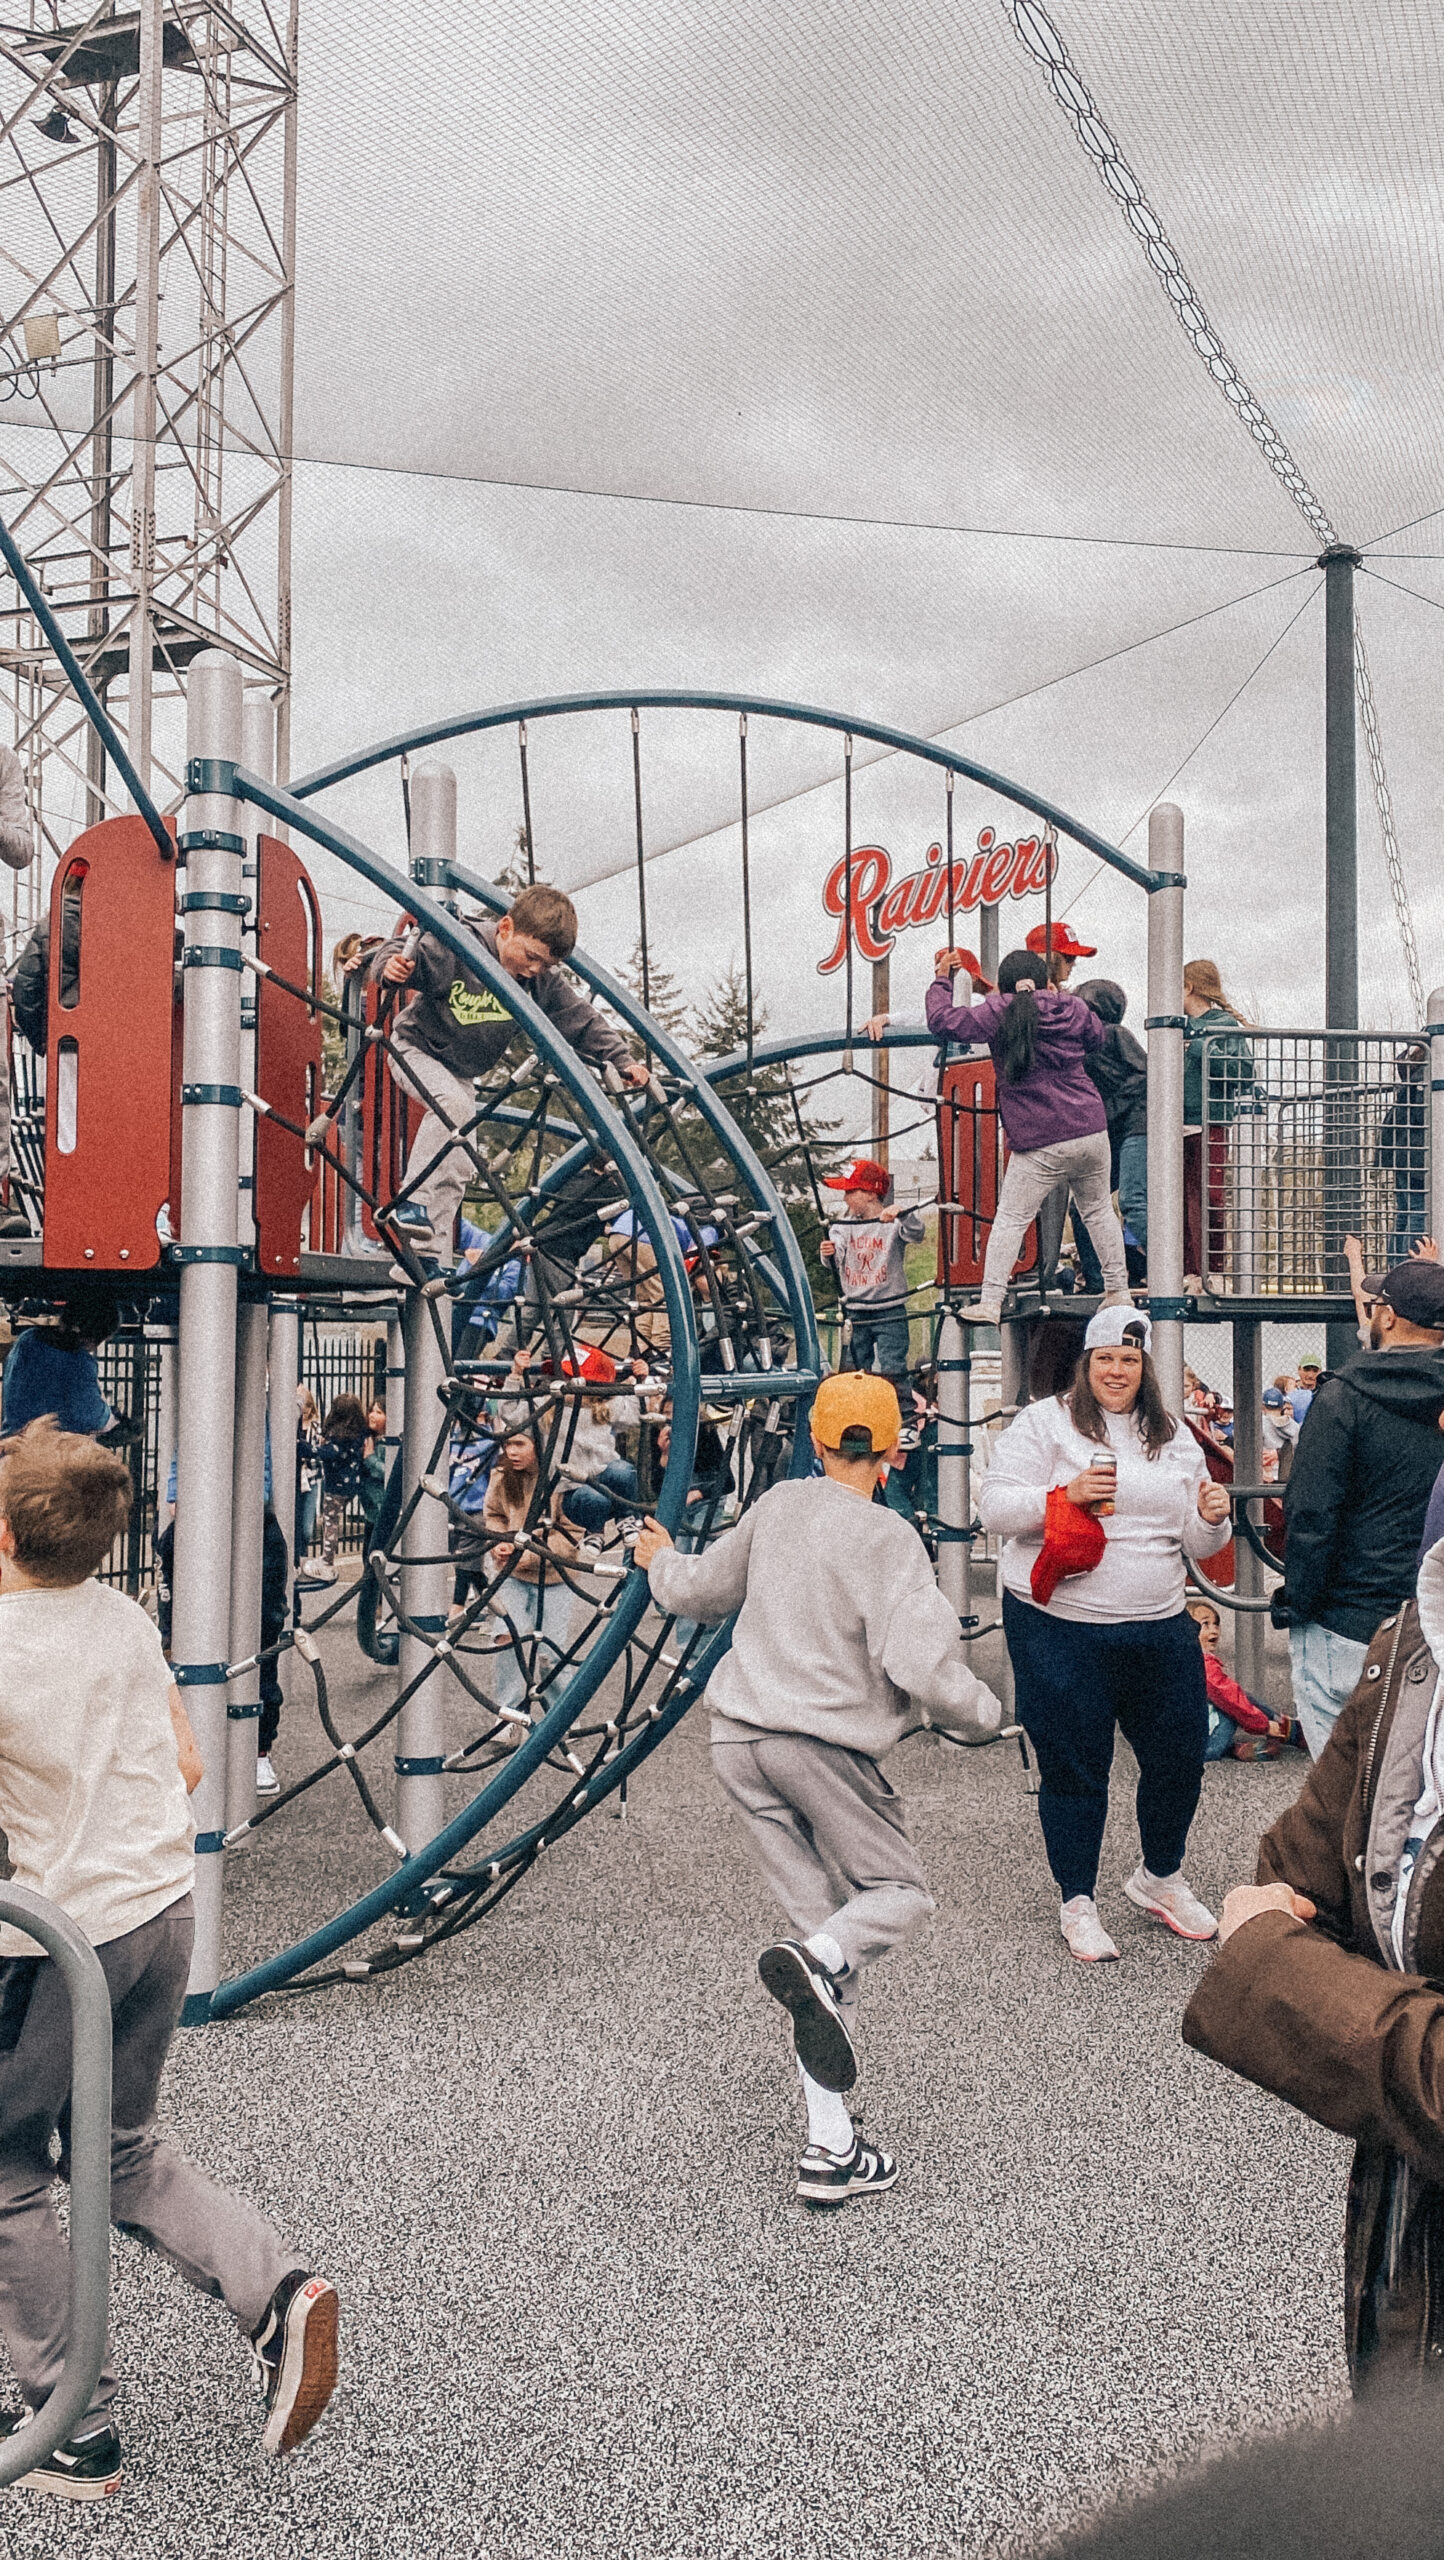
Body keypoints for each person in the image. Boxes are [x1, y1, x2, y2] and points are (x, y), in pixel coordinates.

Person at [0, 1422, 337, 2498]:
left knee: (5, 2171)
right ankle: (277, 2292)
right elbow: (186, 1761)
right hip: (162, 1915)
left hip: (59, 1944)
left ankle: (72, 2422)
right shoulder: (125, 1616)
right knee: (122, 2147)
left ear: (2, 1533)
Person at [634, 1373, 1002, 2208]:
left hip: (738, 1740)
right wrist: (987, 1714)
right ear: (895, 1448)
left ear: (814, 1440)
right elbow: (920, 1665)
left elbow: (700, 1592)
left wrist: (660, 1561)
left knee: (823, 1954)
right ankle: (818, 1965)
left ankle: (831, 2148)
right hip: (820, 1745)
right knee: (897, 1894)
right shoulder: (890, 1539)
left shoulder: (777, 1508)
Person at [1183, 1531, 1444, 2393]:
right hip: (1407, 2233)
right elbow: (1302, 1874)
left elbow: (1274, 1936)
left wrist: (1281, 1971)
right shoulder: (1414, 1646)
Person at [976, 1307, 1232, 1962]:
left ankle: (1159, 1876)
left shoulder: (1170, 1435)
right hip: (1063, 1626)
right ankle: (1077, 1899)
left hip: (1158, 1622)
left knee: (1179, 1756)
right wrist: (1063, 1494)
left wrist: (1213, 1518)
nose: (1117, 1371)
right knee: (1076, 1765)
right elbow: (995, 1505)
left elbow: (1198, 1540)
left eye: (1129, 1359)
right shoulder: (1044, 1423)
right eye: (1105, 1359)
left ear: (1145, 1367)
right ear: (1086, 1365)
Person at [370, 883, 648, 1273]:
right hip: (415, 1047)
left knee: (463, 1156)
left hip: (461, 1070)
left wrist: (621, 1060)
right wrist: (389, 967)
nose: (534, 968)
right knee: (454, 1107)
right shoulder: (462, 946)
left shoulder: (537, 983)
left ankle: (423, 1258)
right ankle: (411, 1201)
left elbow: (582, 1021)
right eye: (531, 956)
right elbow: (397, 950)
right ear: (504, 928)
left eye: (545, 965)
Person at [1273, 1258, 1444, 1759]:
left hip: (1346, 1621)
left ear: (1388, 1318)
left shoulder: (1342, 1398)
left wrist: (1299, 1604)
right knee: (1416, 1800)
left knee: (1341, 1805)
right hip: (1434, 1620)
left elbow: (1310, 1516)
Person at [925, 946, 1131, 1328]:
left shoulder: (999, 1012)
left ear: (1004, 988)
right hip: (1089, 1127)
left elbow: (944, 1022)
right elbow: (1097, 1038)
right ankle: (1118, 1290)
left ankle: (990, 1301)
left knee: (1011, 1219)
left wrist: (941, 979)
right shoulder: (1071, 1007)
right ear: (1046, 982)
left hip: (1040, 1137)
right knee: (1099, 1210)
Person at [480, 1426, 582, 1721]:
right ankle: (510, 1715)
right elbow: (494, 1516)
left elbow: (572, 1535)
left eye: (519, 1444)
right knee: (509, 1637)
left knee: (550, 1652)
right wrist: (497, 1541)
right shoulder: (502, 1476)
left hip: (554, 1577)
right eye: (507, 1444)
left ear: (539, 1445)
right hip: (511, 1575)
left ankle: (560, 1717)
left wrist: (525, 1554)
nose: (511, 1451)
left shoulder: (562, 1481)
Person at [819, 1157, 925, 1389]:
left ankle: (901, 1413)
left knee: (893, 1368)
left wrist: (903, 1213)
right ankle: (854, 1416)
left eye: (850, 1191)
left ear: (869, 1193)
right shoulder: (842, 1226)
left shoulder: (893, 1223)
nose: (845, 1198)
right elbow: (834, 1261)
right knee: (852, 1370)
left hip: (890, 1309)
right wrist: (828, 1252)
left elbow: (917, 1233)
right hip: (855, 1310)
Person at [1181, 959, 1254, 1287]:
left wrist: (1200, 1048)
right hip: (1178, 1125)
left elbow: (1244, 1074)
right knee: (1182, 1200)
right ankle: (1188, 1269)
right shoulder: (1177, 1026)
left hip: (1210, 1122)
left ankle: (1214, 1269)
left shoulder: (1222, 1025)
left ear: (1188, 988)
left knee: (1210, 1196)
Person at [1071, 977, 1148, 1277]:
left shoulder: (1114, 1035)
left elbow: (1145, 1076)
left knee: (1132, 1200)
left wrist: (1109, 1108)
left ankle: (1168, 1269)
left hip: (1136, 1125)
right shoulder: (1081, 1044)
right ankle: (1096, 1278)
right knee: (1082, 1206)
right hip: (1116, 1129)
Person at [1, 1288, 127, 1441]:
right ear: (93, 1335)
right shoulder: (79, 1362)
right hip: (48, 1451)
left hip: (11, 1442)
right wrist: (112, 1420)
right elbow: (88, 1414)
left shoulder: (28, 1339)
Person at [1184, 1595, 1296, 1759]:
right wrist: (1264, 1726)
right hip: (1203, 1747)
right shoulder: (1203, 1665)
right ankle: (1286, 1729)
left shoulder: (1180, 1659)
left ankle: (1277, 1731)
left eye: (1216, 1624)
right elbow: (1229, 1699)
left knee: (1238, 1697)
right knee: (1231, 1703)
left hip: (1177, 1739)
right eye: (1205, 1624)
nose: (1214, 1629)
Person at [308, 1393, 373, 1586]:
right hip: (354, 1482)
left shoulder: (337, 1436)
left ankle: (327, 1558)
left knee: (331, 1522)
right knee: (333, 1521)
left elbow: (328, 1454)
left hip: (335, 1484)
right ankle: (327, 1557)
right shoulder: (360, 1434)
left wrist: (310, 1448)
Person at [1378, 1044, 1428, 1266]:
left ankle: (1397, 1267)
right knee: (1418, 1213)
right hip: (1418, 1157)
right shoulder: (1425, 1079)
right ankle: (1411, 1268)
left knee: (1406, 1211)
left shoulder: (1414, 1075)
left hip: (1403, 1154)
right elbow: (1421, 1115)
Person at [293, 1386, 321, 1565]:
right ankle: (296, 1557)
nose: (304, 1412)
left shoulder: (316, 1428)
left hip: (310, 1478)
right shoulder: (290, 1424)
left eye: (308, 1408)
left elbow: (318, 1454)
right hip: (294, 1479)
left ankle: (301, 1554)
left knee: (306, 1529)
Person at [1024, 920, 1095, 988]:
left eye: (1074, 957)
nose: (1073, 964)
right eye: (1069, 958)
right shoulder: (1030, 998)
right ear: (1047, 958)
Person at [1289, 1355, 1322, 1424]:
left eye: (1315, 1371)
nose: (1310, 1375)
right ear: (1299, 1370)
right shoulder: (1288, 1391)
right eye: (1307, 1370)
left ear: (1320, 1372)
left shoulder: (1324, 1392)